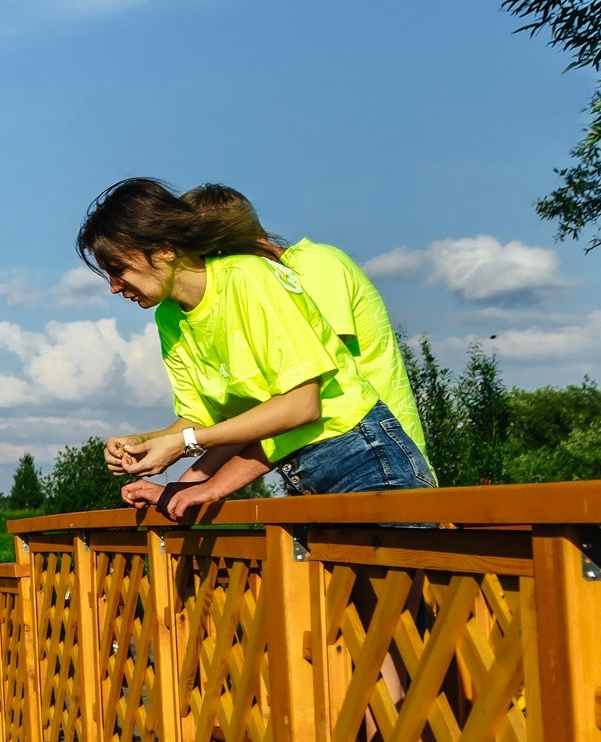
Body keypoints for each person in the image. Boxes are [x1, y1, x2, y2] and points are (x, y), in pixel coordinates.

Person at [77, 178, 435, 518]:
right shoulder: (169, 318)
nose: (113, 287)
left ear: (166, 249)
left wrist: (191, 457)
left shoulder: (248, 278)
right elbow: (206, 419)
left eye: (118, 268)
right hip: (302, 473)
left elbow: (301, 405)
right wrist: (145, 443)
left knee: (395, 584)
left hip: (364, 460)